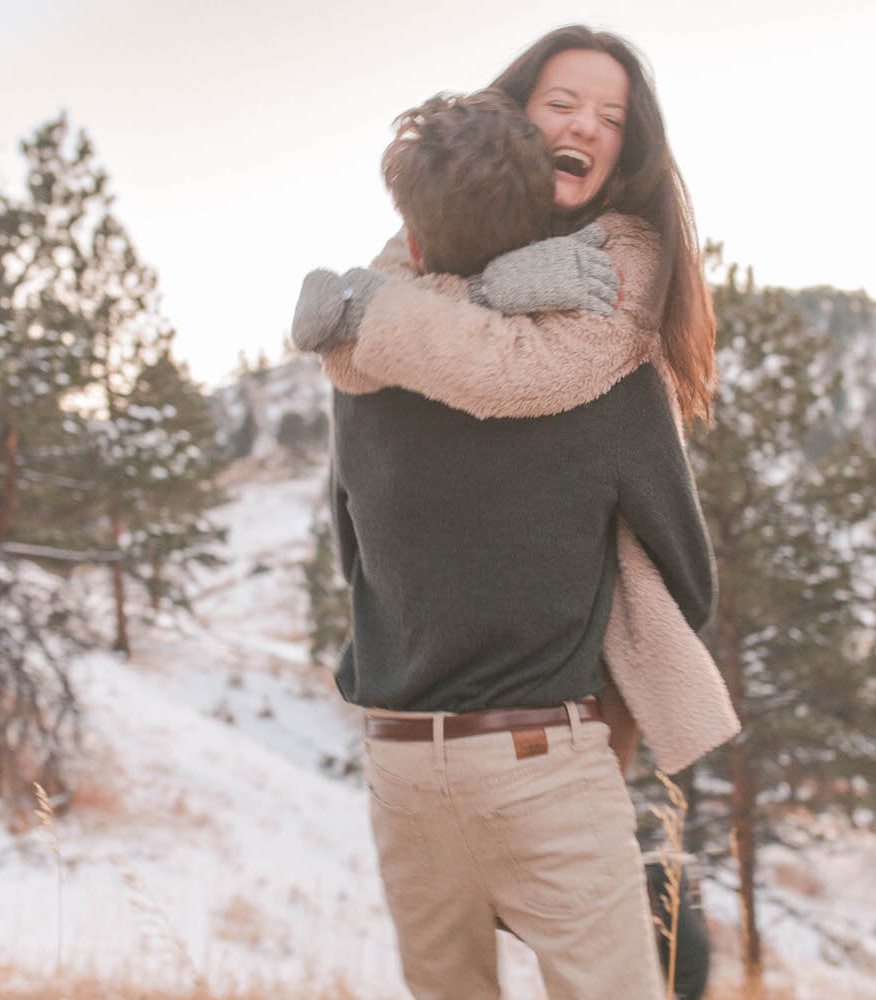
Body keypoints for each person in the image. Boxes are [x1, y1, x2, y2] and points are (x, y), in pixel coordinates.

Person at [298, 55, 722, 1000]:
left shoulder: (362, 362)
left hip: (402, 759)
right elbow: (684, 570)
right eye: (562, 105)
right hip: (542, 753)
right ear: (522, 133)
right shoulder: (601, 372)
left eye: (608, 115)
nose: (585, 127)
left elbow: (352, 551)